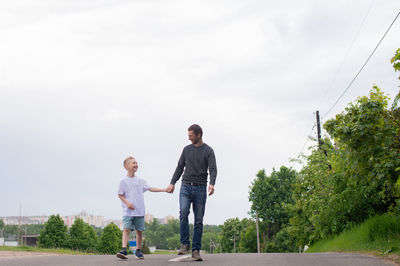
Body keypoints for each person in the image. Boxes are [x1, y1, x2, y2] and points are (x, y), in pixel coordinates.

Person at [166, 124, 217, 261]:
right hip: (186, 187)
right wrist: (172, 183)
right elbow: (179, 167)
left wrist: (212, 184)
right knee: (183, 213)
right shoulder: (186, 150)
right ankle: (184, 244)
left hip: (200, 188)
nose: (188, 138)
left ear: (198, 135)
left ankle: (195, 250)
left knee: (198, 221)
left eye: (190, 135)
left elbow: (213, 169)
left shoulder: (209, 151)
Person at [116, 156, 167, 260]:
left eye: (136, 163)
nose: (136, 164)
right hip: (128, 211)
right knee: (126, 229)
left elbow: (150, 188)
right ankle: (124, 249)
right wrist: (127, 203)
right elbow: (120, 195)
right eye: (133, 163)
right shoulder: (123, 181)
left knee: (139, 231)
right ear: (126, 166)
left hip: (139, 211)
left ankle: (138, 251)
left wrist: (164, 189)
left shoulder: (141, 181)